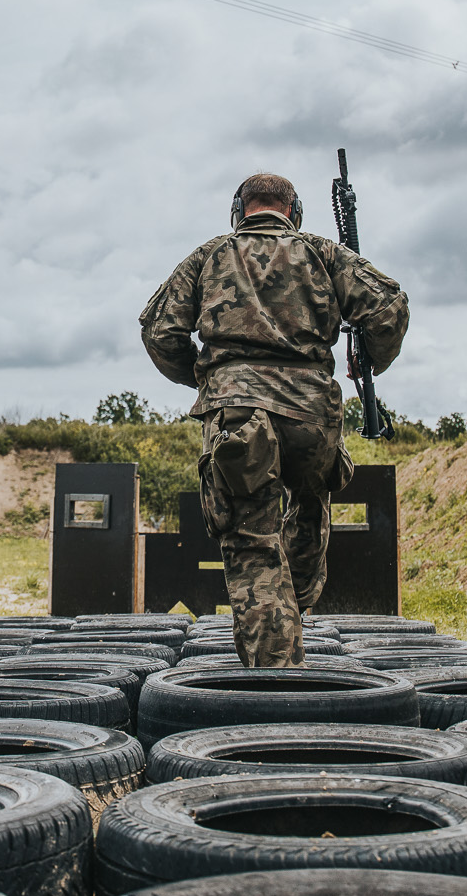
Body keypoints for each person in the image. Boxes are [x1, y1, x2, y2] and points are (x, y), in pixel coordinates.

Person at [140, 173, 409, 666]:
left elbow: (159, 330)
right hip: (313, 413)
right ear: (296, 212)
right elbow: (388, 306)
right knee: (309, 507)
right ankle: (295, 608)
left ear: (237, 211)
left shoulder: (209, 255)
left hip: (239, 416)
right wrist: (367, 359)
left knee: (251, 540)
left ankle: (276, 680)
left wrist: (205, 379)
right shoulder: (323, 252)